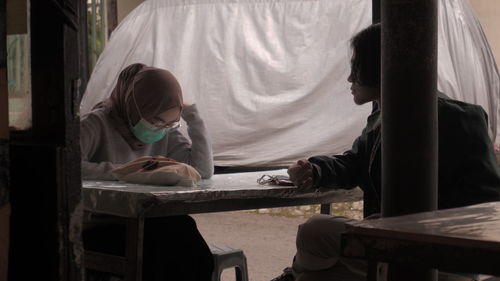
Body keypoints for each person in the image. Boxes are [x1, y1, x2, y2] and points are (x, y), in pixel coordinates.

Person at [272, 23, 500, 281]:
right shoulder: (381, 118)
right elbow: (355, 162)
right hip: (390, 243)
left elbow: (487, 200)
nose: (350, 78)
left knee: (315, 230)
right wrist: (315, 169)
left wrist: (405, 223)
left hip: (441, 255)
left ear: (377, 66)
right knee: (315, 274)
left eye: (356, 66)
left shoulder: (456, 118)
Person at [80, 63, 214, 281]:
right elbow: (68, 167)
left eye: (170, 123)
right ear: (133, 105)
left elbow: (202, 170)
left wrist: (193, 117)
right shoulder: (95, 124)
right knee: (160, 250)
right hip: (104, 226)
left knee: (187, 239)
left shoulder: (164, 132)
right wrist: (123, 172)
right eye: (155, 121)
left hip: (149, 222)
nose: (160, 128)